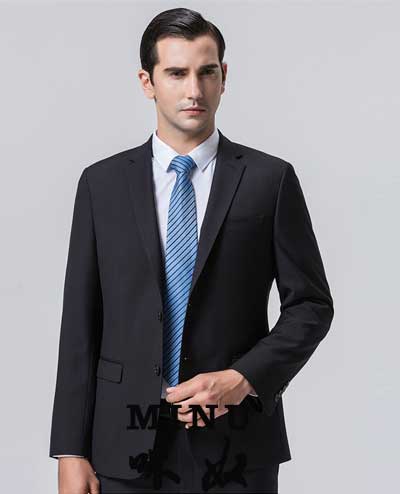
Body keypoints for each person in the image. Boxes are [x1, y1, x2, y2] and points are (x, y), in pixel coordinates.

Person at [49, 7, 334, 493]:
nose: (194, 90)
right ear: (148, 82)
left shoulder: (269, 180)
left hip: (236, 444)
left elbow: (311, 305)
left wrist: (243, 378)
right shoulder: (102, 185)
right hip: (121, 444)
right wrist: (70, 449)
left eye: (207, 73)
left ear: (224, 77)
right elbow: (80, 323)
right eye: (177, 73)